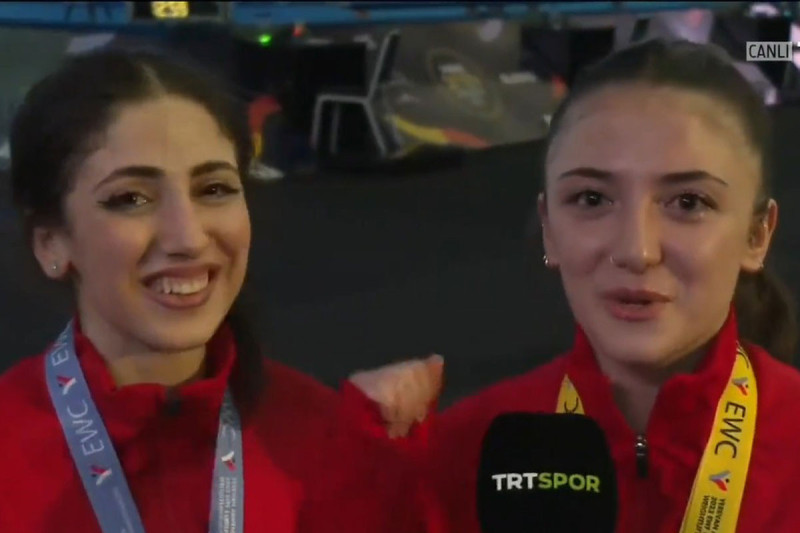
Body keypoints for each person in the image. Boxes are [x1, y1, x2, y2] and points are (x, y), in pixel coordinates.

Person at [349, 39, 800, 532]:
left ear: (757, 236)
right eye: (591, 199)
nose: (636, 250)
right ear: (549, 229)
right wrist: (366, 481)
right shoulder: (459, 457)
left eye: (689, 203)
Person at [0, 48, 431, 533]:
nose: (187, 237)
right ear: (51, 242)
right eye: (131, 198)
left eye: (214, 190)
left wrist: (388, 468)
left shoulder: (322, 435)